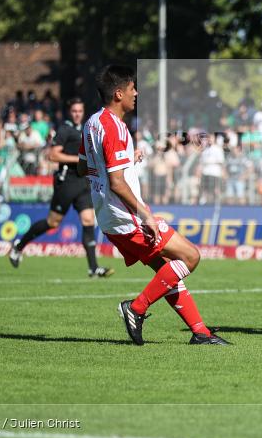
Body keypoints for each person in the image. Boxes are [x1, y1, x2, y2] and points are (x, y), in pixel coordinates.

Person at [78, 65, 228, 345]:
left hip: (108, 217)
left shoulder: (92, 123)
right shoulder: (115, 127)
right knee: (191, 257)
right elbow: (117, 182)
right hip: (127, 217)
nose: (136, 93)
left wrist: (124, 160)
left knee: (167, 270)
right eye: (133, 88)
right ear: (119, 93)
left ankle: (200, 333)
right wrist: (145, 214)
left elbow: (82, 167)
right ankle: (135, 308)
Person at [8, 98, 113, 277]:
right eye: (74, 111)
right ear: (69, 112)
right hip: (66, 182)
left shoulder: (86, 129)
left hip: (82, 182)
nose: (77, 114)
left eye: (80, 111)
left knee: (88, 220)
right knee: (52, 222)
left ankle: (93, 268)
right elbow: (53, 155)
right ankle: (18, 246)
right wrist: (80, 160)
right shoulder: (65, 129)